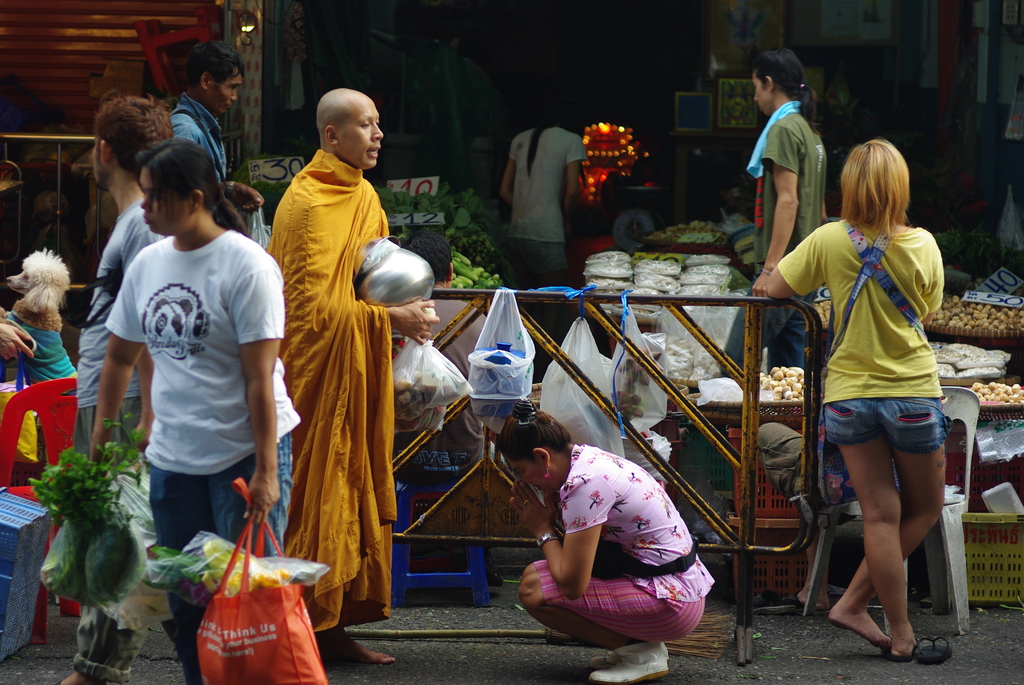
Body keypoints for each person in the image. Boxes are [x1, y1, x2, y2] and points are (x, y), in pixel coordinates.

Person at [93, 138, 300, 685]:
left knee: (244, 600)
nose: (145, 208)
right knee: (189, 600)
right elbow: (120, 355)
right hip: (173, 460)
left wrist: (266, 470)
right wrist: (114, 431)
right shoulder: (148, 263)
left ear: (195, 198)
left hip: (242, 454)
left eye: (156, 197)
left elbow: (259, 377)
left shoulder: (247, 266)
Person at [268, 88, 438, 665]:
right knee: (318, 494)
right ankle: (299, 629)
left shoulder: (363, 195)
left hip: (356, 368)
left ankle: (333, 627)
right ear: (331, 136)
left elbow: (372, 279)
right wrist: (392, 316)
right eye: (364, 126)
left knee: (352, 485)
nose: (378, 135)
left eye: (379, 124)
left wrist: (409, 305)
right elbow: (310, 312)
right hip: (313, 379)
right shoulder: (307, 204)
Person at [766, 139, 950, 662]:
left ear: (848, 187)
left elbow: (777, 289)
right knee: (926, 508)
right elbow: (929, 312)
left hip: (848, 396)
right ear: (900, 187)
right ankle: (858, 608)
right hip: (912, 393)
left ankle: (894, 628)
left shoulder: (827, 239)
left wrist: (766, 269)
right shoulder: (924, 245)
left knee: (879, 516)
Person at [57, 94, 170, 685]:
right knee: (113, 528)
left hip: (120, 399)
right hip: (110, 394)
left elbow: (151, 332)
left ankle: (95, 669)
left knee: (120, 532)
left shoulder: (142, 226)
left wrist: (135, 414)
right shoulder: (133, 223)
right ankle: (96, 666)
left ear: (105, 152)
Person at [500, 400, 713, 684]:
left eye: (520, 470)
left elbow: (572, 586)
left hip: (672, 602)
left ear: (542, 457)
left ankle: (640, 653)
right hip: (677, 586)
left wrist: (542, 529)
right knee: (535, 575)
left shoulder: (584, 484)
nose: (523, 480)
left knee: (532, 589)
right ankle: (639, 648)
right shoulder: (583, 458)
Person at [725, 48, 827, 371]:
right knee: (789, 369)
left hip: (785, 268)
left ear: (769, 83)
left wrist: (770, 269)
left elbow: (788, 200)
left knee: (732, 360)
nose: (755, 98)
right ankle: (790, 424)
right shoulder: (810, 132)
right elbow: (821, 213)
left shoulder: (782, 131)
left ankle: (720, 424)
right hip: (805, 266)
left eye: (755, 88)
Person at [171, 40, 263, 213]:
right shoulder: (186, 130)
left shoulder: (200, 124)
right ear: (206, 80)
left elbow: (197, 186)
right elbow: (180, 198)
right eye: (231, 87)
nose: (234, 97)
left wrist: (228, 188)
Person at [752, 423, 832, 614]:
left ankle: (817, 590)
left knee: (764, 431)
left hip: (840, 469)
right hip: (886, 477)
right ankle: (826, 590)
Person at [499, 119, 584, 290]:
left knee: (522, 305)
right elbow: (573, 191)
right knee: (552, 305)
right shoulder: (571, 139)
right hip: (547, 235)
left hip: (517, 234)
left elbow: (504, 191)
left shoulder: (520, 138)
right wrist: (565, 221)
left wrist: (525, 210)